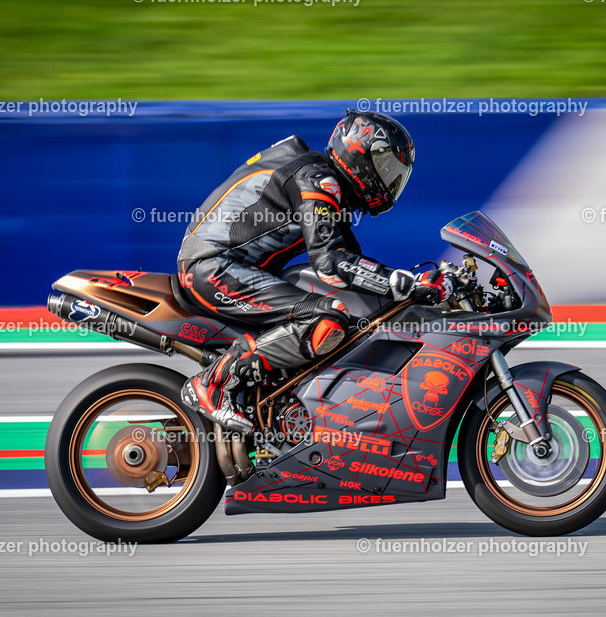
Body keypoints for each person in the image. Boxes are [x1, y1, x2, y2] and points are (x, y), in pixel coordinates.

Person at [177, 110, 455, 434]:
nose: (390, 181)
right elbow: (330, 261)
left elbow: (355, 266)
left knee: (349, 310)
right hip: (213, 267)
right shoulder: (316, 180)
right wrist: (406, 284)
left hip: (234, 266)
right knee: (325, 317)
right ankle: (214, 382)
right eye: (386, 168)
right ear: (359, 155)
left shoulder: (326, 185)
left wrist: (419, 292)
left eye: (396, 173)